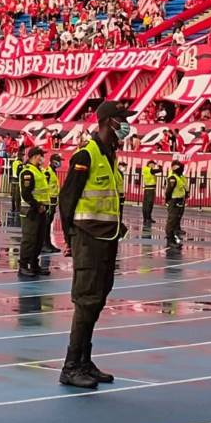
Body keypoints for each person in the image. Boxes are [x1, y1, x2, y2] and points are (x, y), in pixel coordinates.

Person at [58, 101, 134, 389]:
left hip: (106, 238)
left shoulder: (110, 156)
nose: (125, 125)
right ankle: (70, 366)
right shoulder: (86, 155)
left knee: (98, 300)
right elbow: (68, 200)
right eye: (120, 119)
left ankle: (84, 361)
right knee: (86, 300)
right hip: (88, 239)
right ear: (107, 122)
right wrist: (69, 238)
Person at [18, 147, 49, 277]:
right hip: (31, 210)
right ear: (35, 156)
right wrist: (37, 206)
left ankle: (34, 264)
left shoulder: (39, 171)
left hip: (40, 210)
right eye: (41, 156)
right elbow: (26, 193)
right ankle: (23, 265)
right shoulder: (28, 172)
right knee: (29, 239)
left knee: (39, 239)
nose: (42, 158)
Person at [165, 160, 188, 250]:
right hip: (174, 200)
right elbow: (169, 190)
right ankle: (170, 240)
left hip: (179, 200)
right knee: (172, 220)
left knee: (176, 220)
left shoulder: (180, 177)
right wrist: (167, 200)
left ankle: (173, 238)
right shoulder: (173, 178)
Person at [42, 153, 62, 253]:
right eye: (59, 161)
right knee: (46, 224)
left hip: (53, 201)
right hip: (49, 201)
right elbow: (44, 187)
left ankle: (48, 243)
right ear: (53, 161)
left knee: (49, 224)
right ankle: (44, 244)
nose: (60, 163)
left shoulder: (53, 172)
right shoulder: (48, 172)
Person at [141, 160, 162, 226]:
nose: (153, 166)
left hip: (149, 189)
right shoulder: (148, 169)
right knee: (148, 205)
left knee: (147, 204)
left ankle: (147, 218)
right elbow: (157, 171)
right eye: (153, 164)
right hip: (150, 189)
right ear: (149, 164)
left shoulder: (147, 169)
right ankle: (147, 218)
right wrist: (160, 168)